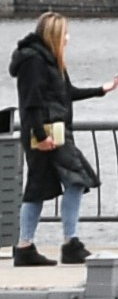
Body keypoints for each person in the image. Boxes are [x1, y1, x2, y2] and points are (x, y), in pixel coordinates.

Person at [7, 29, 100, 269]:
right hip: (48, 132)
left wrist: (100, 90)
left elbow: (66, 93)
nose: (68, 37)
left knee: (42, 186)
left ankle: (28, 246)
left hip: (52, 131)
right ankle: (67, 244)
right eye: (65, 32)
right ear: (54, 34)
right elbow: (32, 101)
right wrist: (39, 134)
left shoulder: (49, 60)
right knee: (75, 180)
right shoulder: (35, 61)